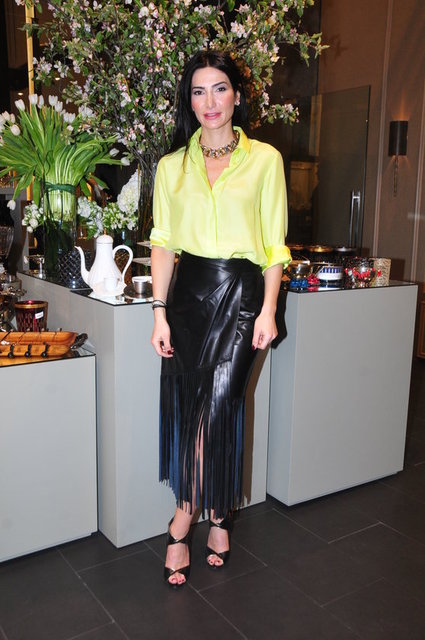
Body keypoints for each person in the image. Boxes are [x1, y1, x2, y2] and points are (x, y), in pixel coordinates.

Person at [150, 50, 291, 588]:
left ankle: (182, 519)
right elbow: (162, 244)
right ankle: (217, 514)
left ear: (237, 95)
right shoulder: (171, 167)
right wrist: (159, 314)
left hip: (242, 298)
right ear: (189, 101)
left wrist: (269, 309)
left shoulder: (265, 160)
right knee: (192, 410)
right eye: (198, 91)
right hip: (187, 300)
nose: (209, 101)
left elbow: (274, 246)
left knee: (219, 406)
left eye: (219, 88)